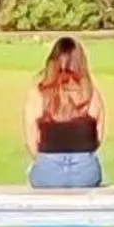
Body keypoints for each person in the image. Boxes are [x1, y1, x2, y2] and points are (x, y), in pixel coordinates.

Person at [23, 34, 105, 189]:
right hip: (86, 173)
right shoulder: (92, 94)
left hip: (48, 171)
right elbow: (98, 139)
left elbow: (31, 141)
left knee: (31, 172)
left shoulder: (37, 94)